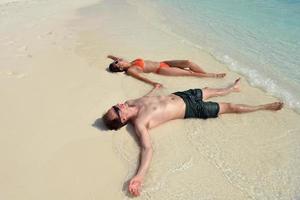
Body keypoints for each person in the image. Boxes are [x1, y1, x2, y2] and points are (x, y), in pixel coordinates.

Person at [102, 78, 283, 196]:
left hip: (183, 95)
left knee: (209, 90)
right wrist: (139, 176)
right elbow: (147, 149)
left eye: (115, 105)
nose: (119, 104)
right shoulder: (141, 123)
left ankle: (231, 88)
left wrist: (154, 88)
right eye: (117, 109)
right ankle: (264, 107)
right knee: (229, 107)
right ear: (123, 118)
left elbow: (146, 98)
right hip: (191, 109)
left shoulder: (130, 102)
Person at [107, 55, 226, 87]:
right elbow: (141, 78)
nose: (119, 60)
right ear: (120, 68)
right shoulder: (131, 70)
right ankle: (213, 76)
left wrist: (110, 56)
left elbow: (118, 58)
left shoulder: (130, 62)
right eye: (117, 63)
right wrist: (153, 83)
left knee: (188, 62)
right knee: (189, 73)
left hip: (164, 62)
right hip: (161, 69)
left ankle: (205, 74)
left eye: (117, 61)